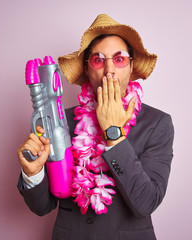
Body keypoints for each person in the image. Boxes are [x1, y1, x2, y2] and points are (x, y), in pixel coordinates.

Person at [17, 14, 174, 240]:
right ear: (87, 69)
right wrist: (33, 173)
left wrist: (113, 133)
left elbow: (146, 202)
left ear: (131, 68)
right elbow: (42, 206)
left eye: (119, 59)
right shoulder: (63, 122)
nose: (109, 70)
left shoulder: (156, 123)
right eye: (98, 60)